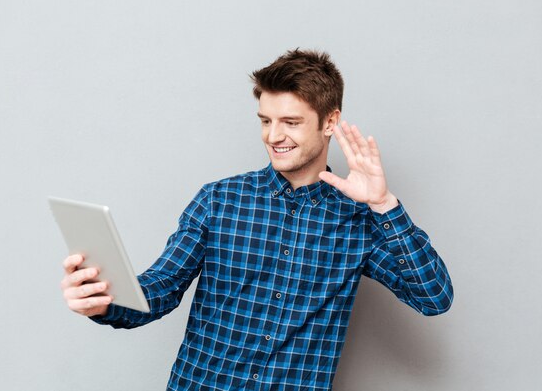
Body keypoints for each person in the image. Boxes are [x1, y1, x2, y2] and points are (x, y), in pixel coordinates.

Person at [60, 49, 453, 391]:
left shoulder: (358, 220)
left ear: (330, 122)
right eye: (265, 120)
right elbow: (162, 287)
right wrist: (106, 302)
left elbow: (433, 298)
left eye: (291, 122)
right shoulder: (219, 200)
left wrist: (384, 204)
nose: (273, 136)